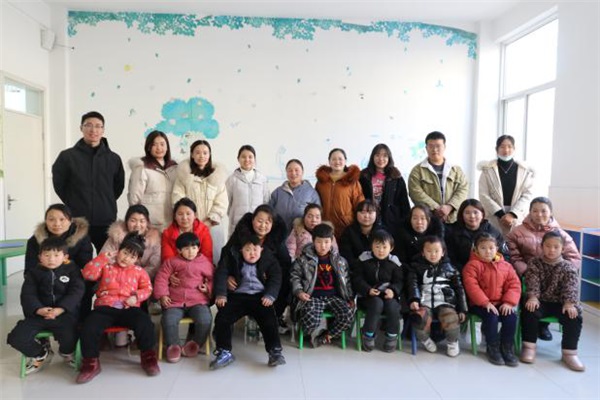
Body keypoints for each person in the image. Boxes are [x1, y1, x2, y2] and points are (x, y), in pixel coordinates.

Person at [76, 233, 159, 384]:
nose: (126, 258)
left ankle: (148, 358)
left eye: (132, 257)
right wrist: (102, 258)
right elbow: (88, 274)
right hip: (105, 307)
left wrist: (137, 297)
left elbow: (148, 289)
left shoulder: (139, 271)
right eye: (125, 253)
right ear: (118, 251)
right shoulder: (106, 266)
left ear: (137, 259)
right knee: (89, 326)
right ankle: (90, 363)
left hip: (128, 307)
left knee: (145, 323)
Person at [506, 196, 581, 341]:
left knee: (557, 293)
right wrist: (527, 271)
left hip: (554, 277)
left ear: (551, 213)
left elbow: (574, 258)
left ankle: (543, 325)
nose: (539, 214)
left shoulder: (560, 234)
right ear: (529, 212)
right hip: (526, 274)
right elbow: (513, 256)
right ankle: (524, 327)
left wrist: (559, 271)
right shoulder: (516, 232)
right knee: (524, 294)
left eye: (543, 211)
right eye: (535, 211)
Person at [7, 237, 84, 375]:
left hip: (64, 315)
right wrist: (38, 309)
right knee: (16, 337)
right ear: (40, 257)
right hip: (39, 315)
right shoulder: (33, 273)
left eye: (56, 255)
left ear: (65, 257)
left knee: (71, 335)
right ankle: (41, 354)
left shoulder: (73, 271)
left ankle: (66, 353)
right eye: (47, 255)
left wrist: (61, 309)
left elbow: (76, 292)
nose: (51, 259)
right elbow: (28, 294)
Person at [52, 111, 125, 252]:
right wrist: (73, 201)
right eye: (89, 125)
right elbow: (59, 184)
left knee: (106, 259)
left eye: (98, 126)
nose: (93, 130)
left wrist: (104, 201)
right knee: (76, 258)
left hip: (105, 219)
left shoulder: (113, 158)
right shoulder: (67, 156)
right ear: (81, 128)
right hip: (77, 219)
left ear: (103, 130)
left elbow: (118, 186)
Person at [210, 234, 285, 369]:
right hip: (237, 296)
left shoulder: (269, 258)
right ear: (241, 250)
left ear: (261, 249)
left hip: (260, 297)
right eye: (248, 250)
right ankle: (223, 351)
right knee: (223, 317)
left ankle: (274, 351)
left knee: (269, 319)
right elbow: (221, 273)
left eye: (255, 249)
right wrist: (221, 294)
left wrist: (270, 295)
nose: (252, 253)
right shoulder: (232, 257)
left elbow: (276, 277)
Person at [520, 231, 584, 371]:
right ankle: (529, 346)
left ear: (562, 249)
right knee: (529, 310)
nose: (551, 250)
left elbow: (571, 286)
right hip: (540, 300)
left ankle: (569, 353)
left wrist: (569, 303)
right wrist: (533, 297)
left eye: (556, 247)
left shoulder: (568, 267)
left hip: (560, 303)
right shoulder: (535, 263)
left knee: (574, 315)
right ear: (542, 246)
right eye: (548, 246)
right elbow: (532, 282)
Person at [225, 204, 292, 333]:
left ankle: (275, 316)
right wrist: (228, 276)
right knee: (223, 282)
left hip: (268, 281)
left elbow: (285, 265)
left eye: (267, 222)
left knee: (285, 282)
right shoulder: (241, 235)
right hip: (241, 277)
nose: (263, 226)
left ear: (273, 224)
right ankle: (228, 319)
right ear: (252, 220)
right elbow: (226, 257)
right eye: (260, 221)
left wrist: (270, 277)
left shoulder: (276, 239)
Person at [290, 223, 354, 348]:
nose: (323, 246)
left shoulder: (340, 261)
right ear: (313, 241)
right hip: (313, 297)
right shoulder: (303, 259)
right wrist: (299, 292)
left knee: (348, 315)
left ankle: (326, 336)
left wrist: (350, 297)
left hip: (334, 296)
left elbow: (346, 281)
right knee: (309, 320)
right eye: (319, 242)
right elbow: (295, 277)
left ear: (332, 241)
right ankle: (314, 333)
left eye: (326, 242)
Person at [24, 204, 93, 319]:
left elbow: (85, 265)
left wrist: (65, 273)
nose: (57, 224)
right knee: (31, 285)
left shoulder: (82, 238)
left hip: (72, 276)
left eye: (62, 219)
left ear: (70, 221)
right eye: (51, 219)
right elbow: (30, 267)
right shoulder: (35, 240)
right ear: (46, 221)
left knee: (84, 284)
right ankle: (41, 314)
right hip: (43, 274)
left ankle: (80, 319)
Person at [153, 232, 214, 363]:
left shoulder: (204, 262)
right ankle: (173, 346)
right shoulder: (172, 262)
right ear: (179, 250)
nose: (191, 251)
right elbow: (161, 278)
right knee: (168, 320)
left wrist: (208, 287)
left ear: (198, 248)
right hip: (175, 301)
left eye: (194, 248)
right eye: (186, 248)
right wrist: (163, 295)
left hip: (198, 301)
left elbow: (213, 278)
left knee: (205, 319)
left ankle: (195, 344)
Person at [462, 233, 521, 367]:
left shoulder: (506, 266)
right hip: (479, 304)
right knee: (492, 316)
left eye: (491, 248)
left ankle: (507, 347)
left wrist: (508, 302)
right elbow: (472, 287)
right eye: (483, 248)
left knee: (511, 317)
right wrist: (485, 302)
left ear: (497, 249)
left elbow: (514, 285)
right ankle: (492, 347)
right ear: (476, 249)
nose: (487, 251)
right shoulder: (472, 266)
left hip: (501, 303)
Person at [407, 236, 467, 357]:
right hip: (424, 301)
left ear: (443, 252)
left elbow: (459, 289)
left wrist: (462, 309)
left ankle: (452, 342)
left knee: (450, 318)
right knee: (419, 319)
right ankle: (425, 340)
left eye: (436, 251)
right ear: (423, 253)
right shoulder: (416, 268)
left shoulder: (450, 269)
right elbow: (412, 285)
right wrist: (414, 299)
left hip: (445, 302)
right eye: (429, 251)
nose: (433, 254)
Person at [172, 139, 228, 263]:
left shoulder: (218, 177)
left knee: (213, 259)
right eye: (197, 152)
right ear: (192, 155)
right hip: (189, 226)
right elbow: (178, 199)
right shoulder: (183, 176)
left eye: (205, 153)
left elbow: (222, 202)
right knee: (188, 259)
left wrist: (210, 220)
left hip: (213, 226)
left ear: (210, 154)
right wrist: (191, 221)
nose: (201, 156)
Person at [351, 230, 403, 352]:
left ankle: (392, 335)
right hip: (367, 296)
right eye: (377, 246)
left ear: (391, 248)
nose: (381, 250)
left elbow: (400, 281)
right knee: (376, 303)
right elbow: (356, 278)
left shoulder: (394, 262)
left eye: (384, 247)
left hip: (388, 296)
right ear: (371, 246)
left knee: (393, 306)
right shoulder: (363, 259)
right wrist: (367, 289)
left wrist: (393, 290)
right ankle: (368, 334)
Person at [478, 135, 535, 235]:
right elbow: (483, 195)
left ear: (514, 149)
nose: (506, 150)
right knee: (494, 241)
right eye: (502, 147)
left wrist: (512, 214)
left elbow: (527, 194)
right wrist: (501, 214)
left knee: (515, 241)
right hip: (494, 215)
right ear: (496, 149)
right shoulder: (487, 170)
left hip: (517, 215)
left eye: (509, 146)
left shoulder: (524, 170)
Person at [408, 131, 468, 224]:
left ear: (444, 147)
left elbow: (463, 190)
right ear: (426, 148)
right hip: (429, 220)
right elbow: (415, 193)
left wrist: (449, 207)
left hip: (453, 219)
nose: (435, 149)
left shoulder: (456, 170)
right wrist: (436, 208)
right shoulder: (417, 171)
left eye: (438, 146)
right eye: (431, 146)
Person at [128, 130, 178, 231]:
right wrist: (140, 222)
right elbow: (134, 198)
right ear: (148, 147)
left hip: (171, 223)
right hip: (150, 224)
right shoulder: (142, 167)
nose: (159, 148)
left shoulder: (174, 168)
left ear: (167, 147)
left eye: (162, 144)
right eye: (154, 144)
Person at [100, 204, 161, 281]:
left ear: (147, 223)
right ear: (126, 221)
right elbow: (104, 259)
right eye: (133, 221)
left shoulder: (154, 240)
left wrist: (134, 278)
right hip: (114, 278)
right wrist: (121, 276)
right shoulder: (116, 236)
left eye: (142, 221)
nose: (137, 225)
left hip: (142, 280)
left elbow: (154, 267)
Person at [315, 148, 365, 241]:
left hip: (346, 227)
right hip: (325, 227)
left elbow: (359, 205)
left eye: (340, 159)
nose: (337, 162)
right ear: (329, 161)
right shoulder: (321, 182)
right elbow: (316, 204)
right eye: (333, 159)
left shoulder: (352, 181)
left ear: (345, 161)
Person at [359, 143, 410, 233]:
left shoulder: (396, 176)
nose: (381, 159)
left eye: (384, 156)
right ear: (372, 157)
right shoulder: (364, 175)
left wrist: (406, 222)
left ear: (389, 158)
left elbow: (404, 202)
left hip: (391, 219)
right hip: (369, 218)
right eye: (377, 155)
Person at [445, 199, 508, 272]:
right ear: (461, 215)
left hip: (490, 272)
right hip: (462, 272)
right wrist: (465, 271)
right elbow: (449, 259)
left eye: (475, 212)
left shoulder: (492, 232)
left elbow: (505, 255)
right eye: (467, 213)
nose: (472, 216)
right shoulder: (452, 232)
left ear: (482, 214)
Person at [225, 144, 270, 237]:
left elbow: (266, 201)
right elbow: (226, 203)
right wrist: (234, 216)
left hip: (258, 225)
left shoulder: (262, 179)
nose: (247, 160)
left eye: (250, 157)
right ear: (238, 159)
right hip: (237, 224)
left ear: (254, 159)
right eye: (243, 157)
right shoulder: (232, 179)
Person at [270, 159, 321, 232]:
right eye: (290, 170)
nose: (293, 173)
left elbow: (318, 215)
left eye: (296, 170)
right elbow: (269, 212)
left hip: (302, 234)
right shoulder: (278, 192)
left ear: (302, 172)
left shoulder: (311, 192)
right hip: (279, 233)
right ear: (286, 173)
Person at [161, 198, 213, 263]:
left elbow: (207, 257)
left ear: (195, 215)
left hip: (199, 267)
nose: (184, 218)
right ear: (175, 217)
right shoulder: (167, 234)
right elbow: (168, 260)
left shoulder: (204, 231)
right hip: (176, 267)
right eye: (180, 214)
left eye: (188, 214)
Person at [339, 200, 381, 266]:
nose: (366, 216)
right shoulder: (348, 232)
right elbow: (346, 256)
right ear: (356, 214)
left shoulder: (382, 232)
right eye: (362, 212)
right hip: (355, 268)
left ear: (376, 214)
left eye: (370, 212)